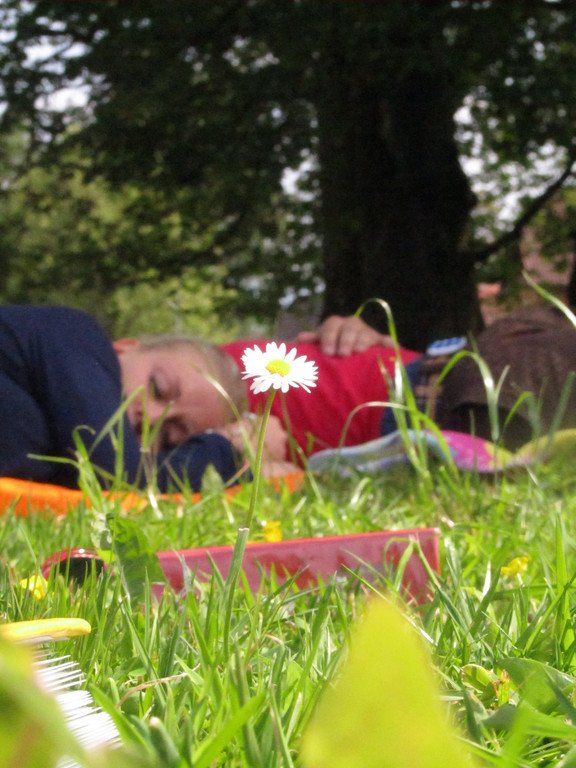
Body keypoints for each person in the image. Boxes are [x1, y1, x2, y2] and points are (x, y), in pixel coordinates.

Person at [0, 306, 393, 490]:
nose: (150, 417)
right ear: (124, 347)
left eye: (170, 437)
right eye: (158, 388)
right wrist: (230, 454)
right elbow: (118, 474)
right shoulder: (74, 333)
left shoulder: (59, 461)